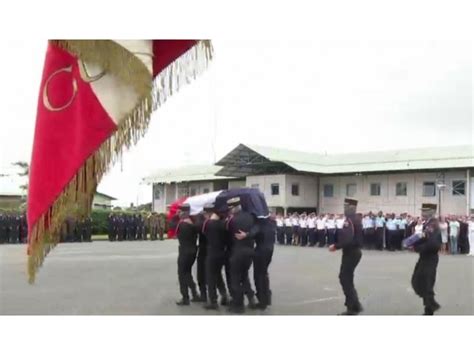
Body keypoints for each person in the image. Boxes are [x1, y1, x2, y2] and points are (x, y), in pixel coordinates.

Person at [329, 199, 363, 315]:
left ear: (352, 207)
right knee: (347, 278)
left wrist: (336, 246)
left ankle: (353, 307)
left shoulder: (350, 220)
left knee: (345, 279)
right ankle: (355, 304)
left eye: (346, 206)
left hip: (351, 252)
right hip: (353, 252)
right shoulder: (355, 219)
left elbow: (348, 239)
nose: (344, 208)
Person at [225, 197, 257, 314]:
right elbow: (257, 228)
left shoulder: (231, 221)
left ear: (233, 208)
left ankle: (238, 305)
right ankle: (251, 298)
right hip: (249, 251)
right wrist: (248, 234)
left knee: (235, 279)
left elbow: (227, 234)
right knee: (244, 276)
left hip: (237, 251)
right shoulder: (250, 216)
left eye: (230, 209)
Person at [411, 217, 442, 315]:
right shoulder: (426, 230)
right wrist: (414, 243)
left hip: (430, 260)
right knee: (417, 281)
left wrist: (420, 247)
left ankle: (430, 308)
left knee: (427, 283)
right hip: (423, 259)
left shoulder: (436, 231)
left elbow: (434, 245)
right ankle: (430, 304)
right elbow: (420, 240)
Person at [202, 204, 229, 310]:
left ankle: (213, 301)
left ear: (208, 213)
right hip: (222, 252)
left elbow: (203, 231)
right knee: (218, 275)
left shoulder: (208, 224)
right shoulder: (223, 224)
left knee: (211, 277)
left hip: (212, 253)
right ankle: (224, 295)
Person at [175, 204, 200, 305]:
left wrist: (176, 217)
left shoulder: (182, 225)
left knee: (182, 274)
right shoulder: (192, 223)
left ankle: (185, 297)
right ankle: (195, 294)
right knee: (187, 273)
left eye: (179, 211)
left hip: (184, 252)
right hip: (193, 251)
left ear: (183, 212)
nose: (178, 213)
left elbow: (172, 225)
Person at [252, 215, 275, 310]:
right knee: (264, 274)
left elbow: (252, 234)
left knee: (258, 276)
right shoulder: (271, 223)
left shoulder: (259, 224)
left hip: (261, 251)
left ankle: (262, 301)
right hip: (270, 250)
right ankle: (267, 297)